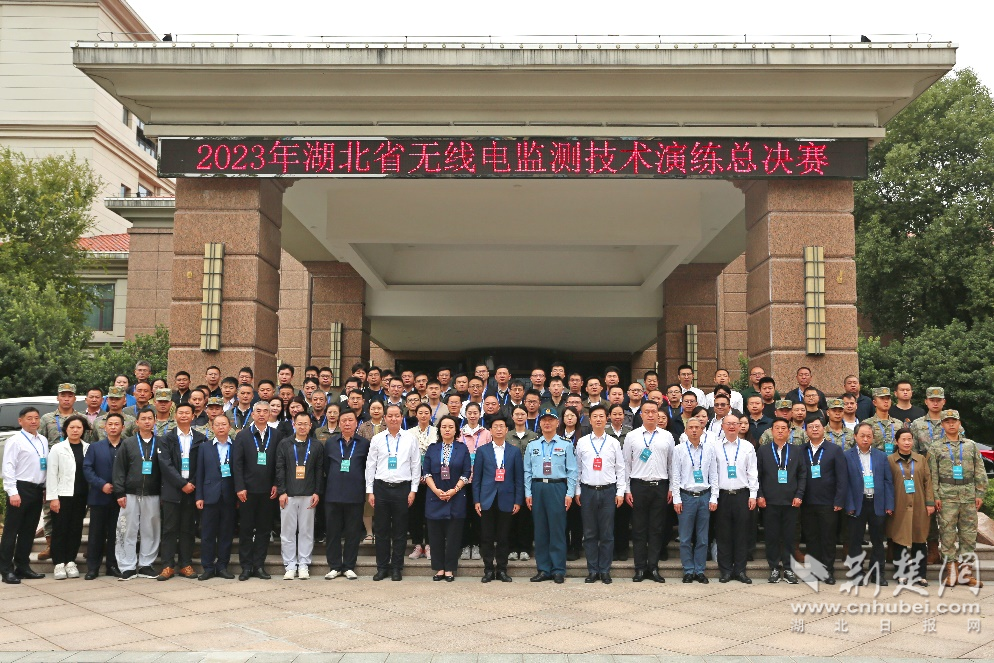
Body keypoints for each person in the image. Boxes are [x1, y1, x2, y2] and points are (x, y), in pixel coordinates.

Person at [928, 409, 987, 588]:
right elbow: (932, 475)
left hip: (968, 495)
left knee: (968, 535)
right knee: (947, 535)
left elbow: (980, 470)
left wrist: (980, 493)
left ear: (959, 423)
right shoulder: (935, 447)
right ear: (942, 425)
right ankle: (951, 573)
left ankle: (966, 573)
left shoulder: (970, 445)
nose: (951, 424)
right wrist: (935, 496)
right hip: (946, 496)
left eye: (954, 421)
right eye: (947, 421)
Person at [524, 405, 577, 584]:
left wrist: (569, 494)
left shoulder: (565, 444)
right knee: (540, 530)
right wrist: (528, 492)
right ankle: (543, 569)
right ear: (540, 423)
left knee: (557, 530)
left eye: (551, 420)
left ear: (557, 423)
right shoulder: (532, 445)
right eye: (544, 420)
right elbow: (527, 471)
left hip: (557, 488)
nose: (547, 423)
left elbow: (572, 471)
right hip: (538, 487)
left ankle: (558, 569)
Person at [366, 404, 420, 581]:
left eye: (397, 415)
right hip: (381, 488)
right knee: (381, 531)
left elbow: (415, 465)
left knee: (400, 531)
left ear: (401, 418)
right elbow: (370, 465)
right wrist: (370, 491)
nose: (393, 419)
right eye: (390, 416)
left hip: (402, 488)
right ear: (385, 418)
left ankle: (397, 567)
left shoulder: (410, 438)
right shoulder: (377, 439)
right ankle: (382, 567)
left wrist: (413, 490)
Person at [623, 400, 674, 583]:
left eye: (654, 411)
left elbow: (671, 464)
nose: (651, 415)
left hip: (660, 487)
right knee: (639, 529)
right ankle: (639, 568)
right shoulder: (632, 436)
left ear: (658, 414)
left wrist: (671, 488)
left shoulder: (667, 436)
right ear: (641, 415)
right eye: (647, 412)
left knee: (656, 529)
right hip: (638, 486)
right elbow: (626, 464)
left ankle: (653, 567)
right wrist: (627, 489)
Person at [574, 404, 625, 583]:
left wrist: (620, 492)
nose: (598, 419)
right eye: (595, 416)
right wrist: (577, 490)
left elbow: (620, 468)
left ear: (606, 419)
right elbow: (578, 469)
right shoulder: (582, 442)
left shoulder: (613, 442)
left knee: (607, 533)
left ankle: (604, 570)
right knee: (589, 534)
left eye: (601, 416)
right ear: (590, 420)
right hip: (587, 491)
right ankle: (592, 570)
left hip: (608, 491)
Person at [157, 403, 206, 580]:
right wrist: (181, 483)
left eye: (187, 413)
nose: (184, 415)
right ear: (175, 416)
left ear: (193, 416)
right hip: (172, 490)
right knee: (169, 529)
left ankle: (186, 564)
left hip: (192, 490)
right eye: (181, 413)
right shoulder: (166, 438)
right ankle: (167, 565)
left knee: (188, 529)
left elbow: (203, 464)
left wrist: (192, 483)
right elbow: (165, 464)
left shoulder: (201, 438)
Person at [112, 407, 162, 580]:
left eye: (150, 418)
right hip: (130, 493)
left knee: (151, 529)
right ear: (137, 422)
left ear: (155, 421)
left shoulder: (161, 443)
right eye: (143, 419)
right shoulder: (128, 443)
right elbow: (119, 469)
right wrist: (119, 492)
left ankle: (146, 564)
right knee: (127, 529)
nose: (147, 421)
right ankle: (127, 566)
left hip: (153, 493)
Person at [1, 407, 49, 584]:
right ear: (20, 421)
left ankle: (22, 566)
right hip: (20, 489)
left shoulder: (42, 440)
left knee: (28, 531)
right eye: (29, 418)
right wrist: (12, 492)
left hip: (37, 489)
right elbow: (8, 467)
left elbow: (43, 466)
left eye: (36, 418)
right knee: (11, 531)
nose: (34, 421)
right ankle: (6, 569)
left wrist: (45, 488)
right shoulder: (15, 441)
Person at [232, 401, 278, 581]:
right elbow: (237, 464)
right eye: (258, 411)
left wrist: (276, 484)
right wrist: (240, 487)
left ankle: (259, 565)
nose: (261, 414)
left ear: (269, 414)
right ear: (252, 414)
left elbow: (279, 463)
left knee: (264, 530)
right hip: (247, 491)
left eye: (265, 411)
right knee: (246, 529)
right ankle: (246, 566)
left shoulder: (276, 435)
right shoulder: (243, 436)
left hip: (268, 491)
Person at [844, 422, 895, 585]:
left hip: (877, 502)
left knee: (878, 541)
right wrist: (849, 505)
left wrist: (889, 504)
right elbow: (845, 483)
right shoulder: (847, 456)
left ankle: (878, 574)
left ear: (873, 438)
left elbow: (888, 481)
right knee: (855, 540)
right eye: (862, 436)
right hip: (857, 503)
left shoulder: (881, 456)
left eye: (869, 436)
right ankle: (857, 573)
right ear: (855, 436)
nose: (865, 439)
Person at [757, 418, 807, 584]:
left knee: (789, 537)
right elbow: (757, 475)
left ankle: (788, 568)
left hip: (791, 501)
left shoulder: (796, 450)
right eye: (777, 428)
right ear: (771, 431)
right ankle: (774, 567)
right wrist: (760, 495)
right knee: (771, 536)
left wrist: (799, 495)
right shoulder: (763, 450)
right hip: (769, 501)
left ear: (789, 432)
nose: (780, 431)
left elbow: (802, 474)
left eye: (783, 428)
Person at [474, 417, 524, 583]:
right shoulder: (482, 450)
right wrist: (476, 500)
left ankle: (502, 569)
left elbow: (518, 478)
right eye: (495, 426)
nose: (499, 429)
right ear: (491, 430)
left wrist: (518, 500)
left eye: (502, 426)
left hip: (507, 498)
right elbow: (477, 478)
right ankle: (488, 570)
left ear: (506, 430)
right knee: (486, 537)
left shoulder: (514, 451)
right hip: (486, 498)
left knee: (504, 537)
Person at [422, 415, 472, 581]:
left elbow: (466, 472)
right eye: (444, 427)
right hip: (434, 496)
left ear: (456, 429)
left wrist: (454, 490)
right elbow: (426, 472)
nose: (447, 430)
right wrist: (436, 490)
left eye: (451, 427)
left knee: (453, 536)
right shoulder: (432, 448)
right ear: (439, 429)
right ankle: (439, 568)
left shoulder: (462, 448)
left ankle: (450, 568)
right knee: (435, 535)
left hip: (456, 496)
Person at [800, 418, 848, 585]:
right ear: (806, 431)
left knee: (828, 538)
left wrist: (839, 500)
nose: (814, 429)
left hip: (829, 502)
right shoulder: (801, 450)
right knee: (811, 539)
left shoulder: (834, 450)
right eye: (810, 427)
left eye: (817, 426)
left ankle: (828, 571)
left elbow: (842, 477)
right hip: (807, 502)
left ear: (824, 429)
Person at [275, 412, 322, 580]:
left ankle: (303, 564)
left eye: (305, 424)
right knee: (287, 532)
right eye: (299, 423)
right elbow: (280, 468)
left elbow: (319, 470)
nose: (302, 427)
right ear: (294, 425)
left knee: (306, 532)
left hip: (309, 494)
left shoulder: (316, 445)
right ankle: (289, 565)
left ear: (310, 426)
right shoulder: (284, 444)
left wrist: (317, 492)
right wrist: (282, 491)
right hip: (289, 495)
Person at [323, 409, 369, 580]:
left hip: (355, 494)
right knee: (333, 532)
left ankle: (349, 566)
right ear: (339, 423)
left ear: (356, 423)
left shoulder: (364, 443)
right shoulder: (330, 443)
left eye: (350, 420)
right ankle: (334, 566)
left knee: (353, 532)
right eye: (344, 420)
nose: (347, 423)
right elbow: (326, 467)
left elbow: (367, 468)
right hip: (333, 494)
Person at [671, 418, 718, 584]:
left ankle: (700, 570)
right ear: (685, 430)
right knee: (685, 538)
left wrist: (714, 496)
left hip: (704, 495)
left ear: (702, 430)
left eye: (697, 427)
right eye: (690, 427)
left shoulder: (709, 449)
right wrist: (676, 498)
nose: (694, 430)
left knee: (702, 538)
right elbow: (675, 475)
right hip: (686, 496)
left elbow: (713, 474)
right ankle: (688, 570)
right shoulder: (679, 449)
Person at [37, 382, 80, 563]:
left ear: (74, 398)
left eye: (70, 396)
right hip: (53, 467)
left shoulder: (80, 418)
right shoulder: (47, 418)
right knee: (49, 508)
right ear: (58, 397)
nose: (66, 399)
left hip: (73, 468)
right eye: (63, 395)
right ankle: (50, 543)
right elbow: (40, 442)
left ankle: (68, 547)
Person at [45, 414, 90, 580]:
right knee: (60, 529)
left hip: (81, 496)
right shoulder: (58, 448)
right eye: (72, 427)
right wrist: (53, 498)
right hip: (62, 496)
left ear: (83, 430)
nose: (75, 430)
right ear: (66, 429)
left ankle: (70, 561)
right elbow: (51, 474)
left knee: (75, 529)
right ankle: (58, 563)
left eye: (79, 427)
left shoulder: (88, 448)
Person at [888, 427, 934, 587]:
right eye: (903, 439)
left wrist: (930, 503)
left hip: (919, 505)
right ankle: (901, 574)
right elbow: (887, 484)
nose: (907, 442)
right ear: (897, 441)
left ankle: (920, 574)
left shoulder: (920, 459)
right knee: (900, 540)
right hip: (899, 505)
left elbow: (928, 482)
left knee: (919, 540)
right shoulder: (890, 460)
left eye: (909, 439)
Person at [715, 414, 758, 583]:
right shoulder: (715, 446)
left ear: (740, 426)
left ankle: (740, 570)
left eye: (735, 423)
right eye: (728, 424)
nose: (732, 426)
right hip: (722, 495)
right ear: (722, 427)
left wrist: (753, 495)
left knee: (742, 534)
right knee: (723, 534)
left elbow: (752, 472)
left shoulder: (747, 447)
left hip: (742, 495)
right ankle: (725, 570)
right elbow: (712, 473)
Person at [82, 412, 124, 579]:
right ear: (105, 427)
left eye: (116, 424)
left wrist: (122, 489)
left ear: (123, 427)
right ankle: (93, 567)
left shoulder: (127, 446)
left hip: (120, 498)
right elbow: (87, 469)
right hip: (99, 497)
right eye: (110, 424)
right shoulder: (95, 447)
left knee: (116, 534)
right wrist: (102, 485)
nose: (113, 427)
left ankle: (112, 565)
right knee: (96, 534)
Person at [196, 414, 237, 580]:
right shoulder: (204, 447)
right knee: (207, 534)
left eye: (224, 424)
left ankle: (222, 566)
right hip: (209, 496)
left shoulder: (236, 446)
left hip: (229, 496)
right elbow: (200, 473)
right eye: (217, 424)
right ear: (212, 427)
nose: (221, 427)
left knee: (226, 533)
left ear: (229, 427)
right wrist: (199, 496)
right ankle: (207, 567)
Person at [458, 402, 492, 560]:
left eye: (475, 412)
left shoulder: (486, 434)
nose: (472, 415)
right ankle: (465, 545)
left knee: (479, 515)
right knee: (464, 514)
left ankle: (477, 545)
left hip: (481, 480)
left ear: (480, 414)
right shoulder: (459, 433)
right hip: (462, 481)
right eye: (469, 413)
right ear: (465, 414)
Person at [408, 403, 437, 561]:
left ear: (430, 415)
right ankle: (418, 545)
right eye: (421, 412)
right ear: (416, 414)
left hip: (433, 479)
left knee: (430, 513)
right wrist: (416, 475)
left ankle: (430, 545)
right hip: (414, 478)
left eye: (426, 412)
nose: (423, 415)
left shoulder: (437, 432)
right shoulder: (409, 433)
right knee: (415, 513)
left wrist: (428, 475)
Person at [863, 388, 904, 453]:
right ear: (875, 402)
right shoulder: (866, 424)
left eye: (888, 398)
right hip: (874, 458)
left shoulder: (899, 424)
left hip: (895, 458)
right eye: (882, 398)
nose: (886, 401)